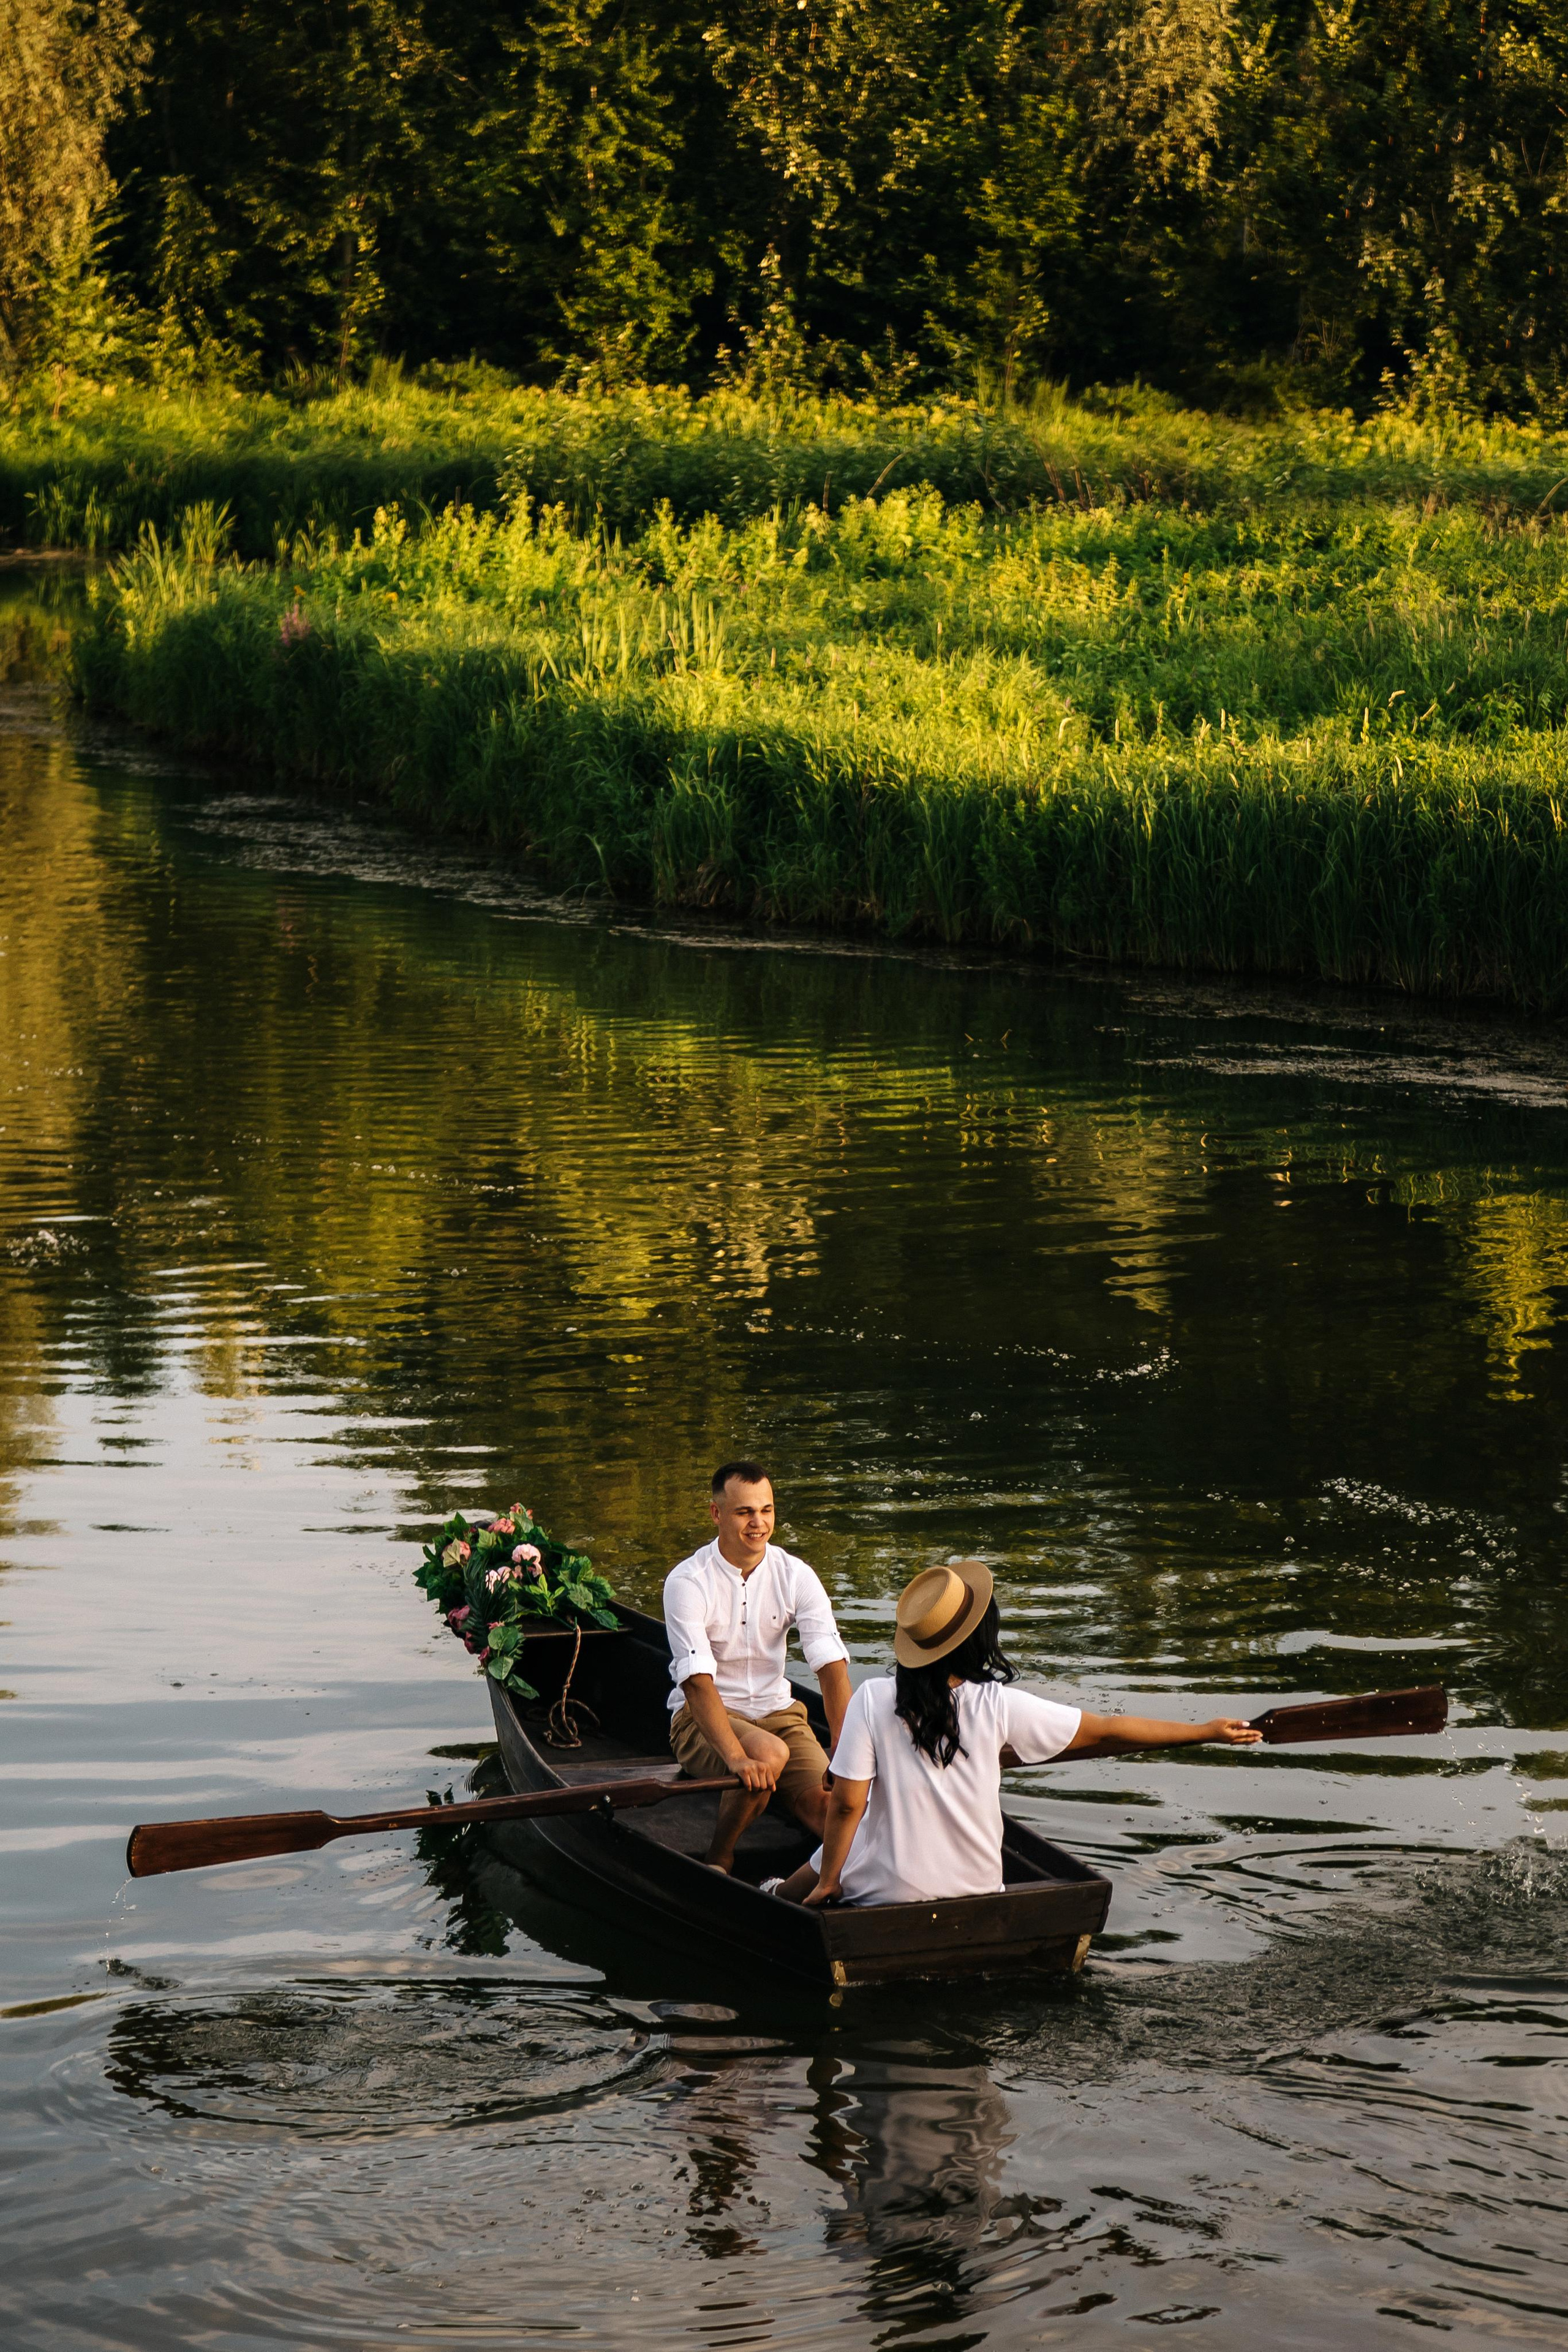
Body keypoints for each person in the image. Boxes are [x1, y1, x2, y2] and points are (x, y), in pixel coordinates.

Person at [775, 1559, 1262, 1907]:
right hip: (981, 1895)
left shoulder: (874, 1699)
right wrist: (1204, 1731)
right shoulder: (998, 1704)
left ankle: (776, 1895)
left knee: (838, 1851)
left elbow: (846, 1805)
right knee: (850, 1845)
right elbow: (1110, 1731)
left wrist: (830, 1883)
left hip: (889, 1896)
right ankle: (781, 1890)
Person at [665, 1459, 852, 1873]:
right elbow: (696, 1683)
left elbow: (831, 1666)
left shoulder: (796, 1574)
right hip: (702, 1719)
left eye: (766, 1510)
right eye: (745, 1512)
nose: (758, 1523)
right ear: (717, 1513)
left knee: (832, 1810)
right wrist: (736, 1758)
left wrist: (843, 1750)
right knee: (766, 1755)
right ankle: (720, 1857)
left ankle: (843, 1880)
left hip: (780, 1715)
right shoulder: (688, 1581)